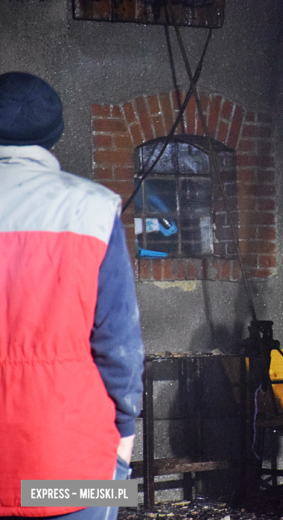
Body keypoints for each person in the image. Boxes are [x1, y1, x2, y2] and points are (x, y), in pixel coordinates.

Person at [0, 72, 145, 519]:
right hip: (70, 461)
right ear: (55, 137)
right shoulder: (94, 207)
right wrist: (124, 434)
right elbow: (119, 344)